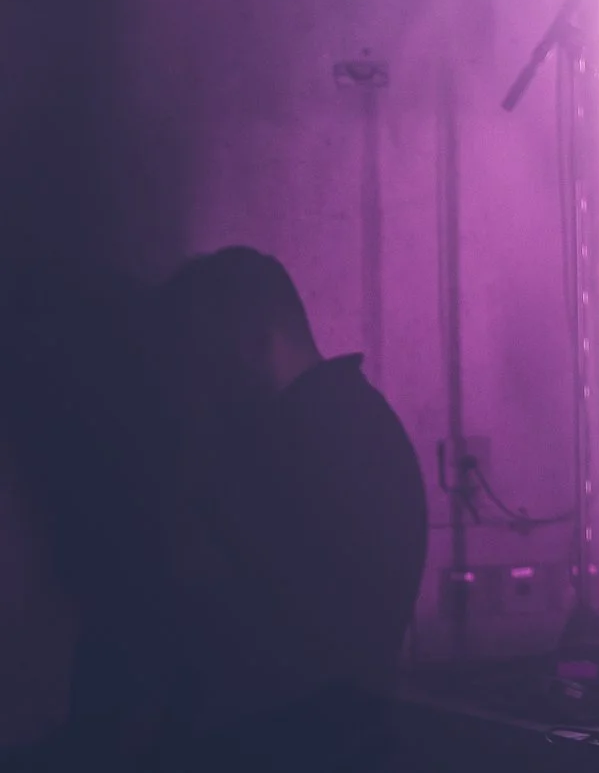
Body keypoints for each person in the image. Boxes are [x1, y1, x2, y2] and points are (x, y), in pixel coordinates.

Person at [151, 246, 429, 769]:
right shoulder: (360, 423)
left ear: (254, 342)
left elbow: (232, 620)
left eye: (204, 358)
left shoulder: (295, 444)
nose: (201, 383)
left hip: (296, 744)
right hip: (337, 739)